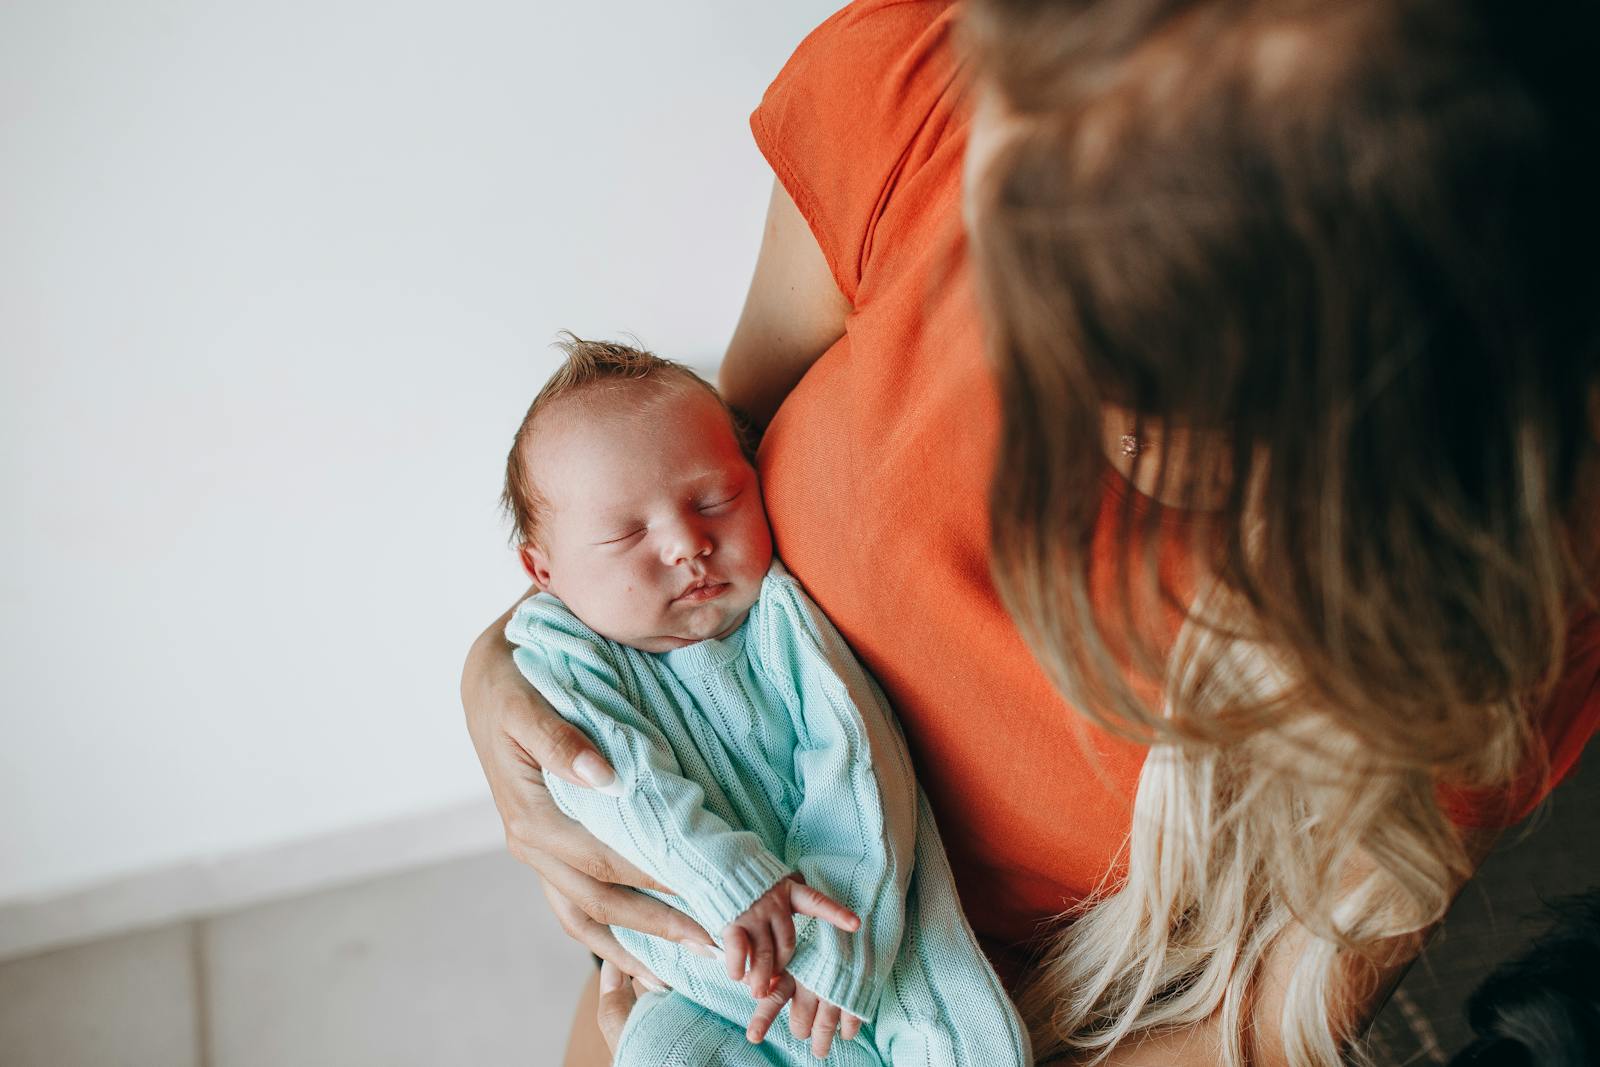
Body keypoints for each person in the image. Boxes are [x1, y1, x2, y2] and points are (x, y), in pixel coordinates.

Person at [460, 1, 1600, 1064]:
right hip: (726, 935)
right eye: (1032, 260)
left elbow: (1250, 1019)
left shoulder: (1519, 559)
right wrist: (501, 673)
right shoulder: (935, 76)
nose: (1062, 376)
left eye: (1164, 354)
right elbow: (700, 475)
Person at [497, 336, 1028, 1063]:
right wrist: (735, 880)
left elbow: (859, 768)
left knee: (972, 1041)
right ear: (543, 569)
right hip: (704, 986)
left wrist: (841, 946)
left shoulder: (781, 620)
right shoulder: (562, 659)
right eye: (627, 533)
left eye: (717, 499)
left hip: (873, 935)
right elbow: (617, 787)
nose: (688, 542)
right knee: (660, 1053)